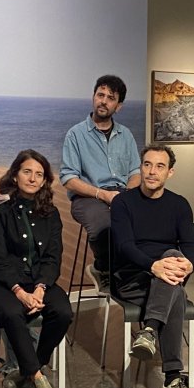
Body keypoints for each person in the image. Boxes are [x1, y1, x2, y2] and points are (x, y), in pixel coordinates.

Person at [110, 145, 194, 388]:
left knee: (175, 260)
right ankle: (173, 380)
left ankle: (149, 331)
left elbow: (191, 245)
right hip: (131, 277)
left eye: (159, 166)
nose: (152, 171)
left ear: (170, 172)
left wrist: (188, 265)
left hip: (165, 277)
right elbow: (125, 246)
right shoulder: (122, 203)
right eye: (147, 164)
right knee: (176, 294)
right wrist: (154, 266)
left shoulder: (179, 204)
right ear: (141, 167)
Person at [0, 149, 71, 388]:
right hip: (2, 284)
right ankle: (39, 379)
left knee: (64, 312)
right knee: (12, 312)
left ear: (45, 181)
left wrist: (41, 289)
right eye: (27, 172)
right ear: (15, 174)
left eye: (39, 174)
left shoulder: (51, 213)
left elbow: (53, 258)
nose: (33, 178)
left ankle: (25, 371)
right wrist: (21, 293)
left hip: (39, 283)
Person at [59, 74, 141, 291]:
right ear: (93, 97)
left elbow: (135, 172)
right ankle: (104, 269)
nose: (103, 101)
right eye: (100, 95)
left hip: (122, 193)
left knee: (147, 223)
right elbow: (68, 178)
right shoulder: (75, 135)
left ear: (119, 106)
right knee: (105, 227)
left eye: (110, 97)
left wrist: (127, 195)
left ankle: (135, 275)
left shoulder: (126, 136)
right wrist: (103, 195)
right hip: (88, 197)